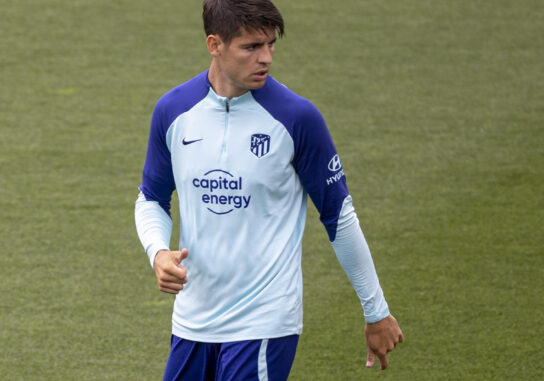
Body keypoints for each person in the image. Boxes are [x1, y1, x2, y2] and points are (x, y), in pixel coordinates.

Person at [135, 0, 403, 379]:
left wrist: (375, 311)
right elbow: (151, 198)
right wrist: (158, 253)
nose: (266, 58)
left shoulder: (296, 118)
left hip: (263, 323)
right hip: (192, 321)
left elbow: (339, 218)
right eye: (251, 47)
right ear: (215, 45)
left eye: (270, 44)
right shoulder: (173, 111)